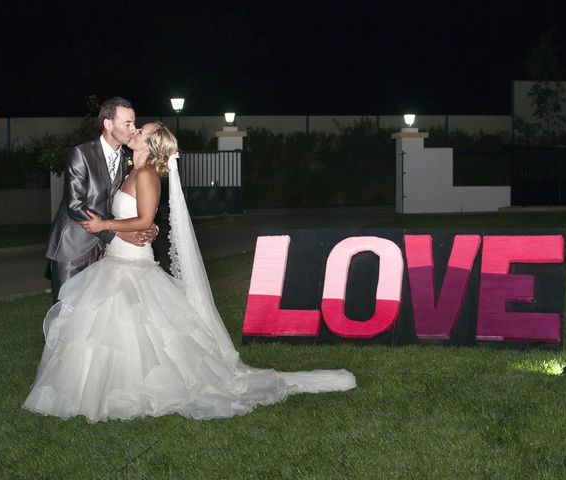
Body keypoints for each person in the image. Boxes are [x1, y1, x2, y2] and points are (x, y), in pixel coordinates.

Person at [23, 122, 356, 422]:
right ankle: (94, 389)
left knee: (135, 332)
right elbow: (138, 223)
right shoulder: (130, 171)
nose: (135, 131)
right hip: (114, 260)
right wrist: (118, 230)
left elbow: (145, 220)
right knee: (104, 331)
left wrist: (106, 224)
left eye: (143, 131)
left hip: (134, 266)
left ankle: (137, 390)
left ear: (151, 146)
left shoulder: (148, 175)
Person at [46, 97, 156, 301]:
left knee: (91, 318)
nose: (133, 129)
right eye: (128, 123)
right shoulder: (81, 154)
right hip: (73, 248)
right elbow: (75, 206)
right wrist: (117, 234)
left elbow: (125, 203)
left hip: (103, 254)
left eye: (134, 123)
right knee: (66, 316)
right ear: (108, 123)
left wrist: (150, 226)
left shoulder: (127, 160)